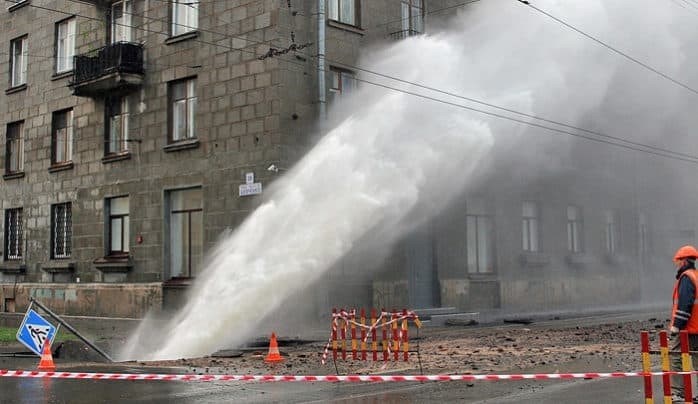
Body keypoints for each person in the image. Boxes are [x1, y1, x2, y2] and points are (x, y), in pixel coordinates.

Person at [670, 245, 698, 402]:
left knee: (675, 356)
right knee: (697, 360)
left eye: (678, 261)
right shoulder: (696, 275)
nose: (677, 264)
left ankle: (678, 393)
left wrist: (677, 326)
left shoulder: (687, 278)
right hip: (696, 327)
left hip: (687, 328)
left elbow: (685, 304)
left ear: (685, 261)